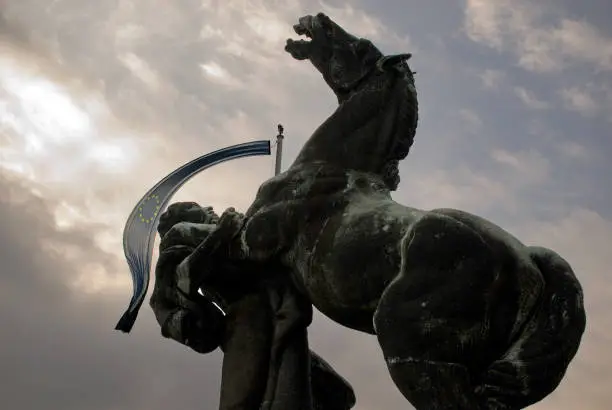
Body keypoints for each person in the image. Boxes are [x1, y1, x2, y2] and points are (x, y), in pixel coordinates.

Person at [149, 202, 355, 410]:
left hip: (283, 310)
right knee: (251, 398)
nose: (210, 208)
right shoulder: (182, 235)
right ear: (183, 218)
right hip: (247, 322)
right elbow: (186, 278)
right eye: (195, 207)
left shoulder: (237, 229)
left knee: (329, 390)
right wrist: (219, 235)